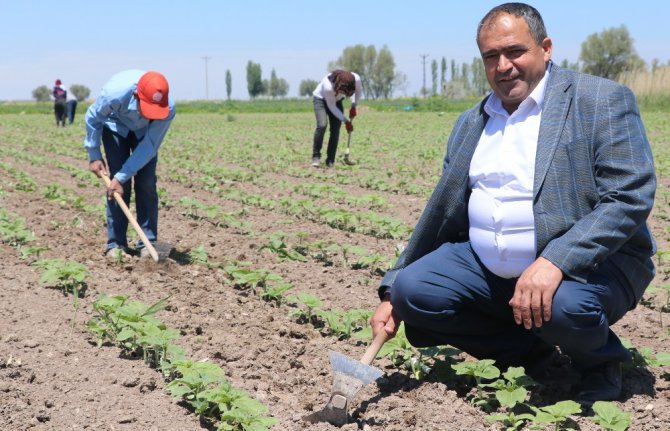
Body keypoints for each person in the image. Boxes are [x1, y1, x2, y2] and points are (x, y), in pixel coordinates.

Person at [370, 2, 656, 410]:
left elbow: (630, 194)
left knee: (562, 307)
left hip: (590, 267)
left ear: (546, 48)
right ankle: (527, 352)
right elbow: (444, 214)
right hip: (490, 268)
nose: (503, 66)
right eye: (491, 56)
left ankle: (601, 363)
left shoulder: (600, 100)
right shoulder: (473, 121)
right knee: (412, 292)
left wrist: (556, 260)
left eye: (514, 51)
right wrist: (393, 288)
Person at [84, 70, 176, 258]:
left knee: (146, 182)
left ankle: (148, 242)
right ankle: (116, 244)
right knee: (118, 187)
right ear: (136, 96)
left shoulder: (167, 110)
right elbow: (93, 117)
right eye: (147, 107)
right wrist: (94, 154)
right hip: (115, 127)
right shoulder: (114, 93)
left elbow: (149, 146)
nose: (150, 113)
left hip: (145, 133)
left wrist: (122, 175)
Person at [311, 70, 362, 168]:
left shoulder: (356, 79)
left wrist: (354, 106)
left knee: (335, 128)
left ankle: (330, 160)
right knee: (322, 125)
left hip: (337, 101)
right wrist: (345, 120)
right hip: (321, 99)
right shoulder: (328, 86)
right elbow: (332, 106)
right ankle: (316, 156)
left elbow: (359, 92)